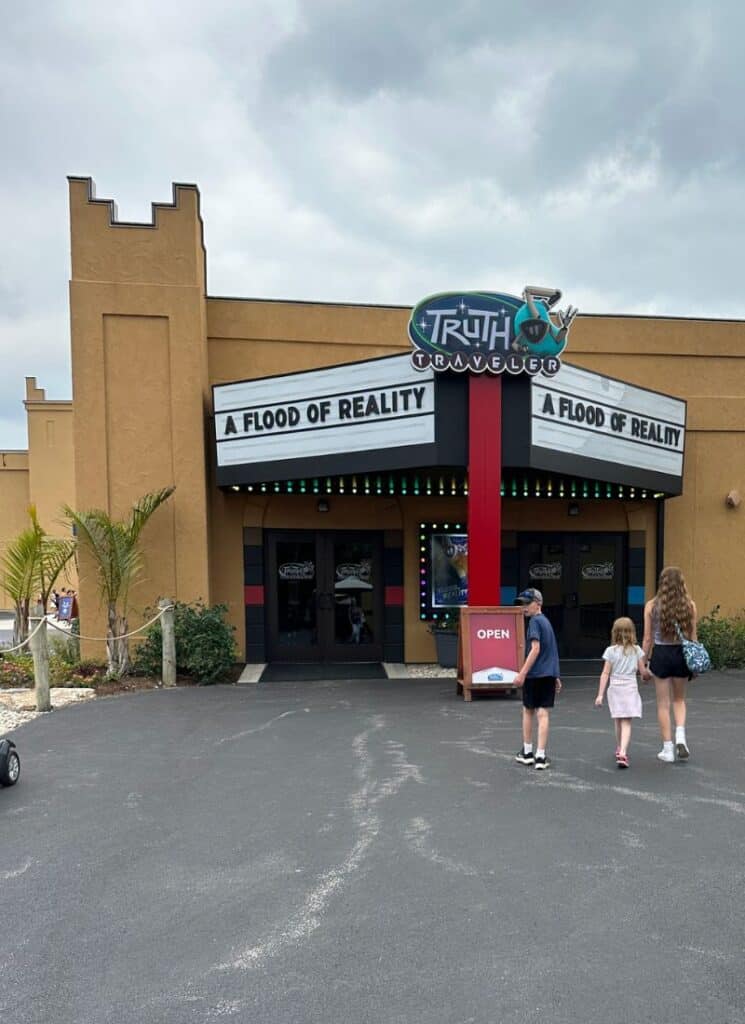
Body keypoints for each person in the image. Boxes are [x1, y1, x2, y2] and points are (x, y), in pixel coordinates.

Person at [642, 566, 698, 762]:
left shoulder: (651, 606)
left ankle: (667, 749)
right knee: (679, 700)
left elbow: (648, 638)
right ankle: (681, 736)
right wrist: (694, 664)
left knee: (663, 704)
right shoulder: (689, 606)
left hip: (661, 654)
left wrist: (643, 663)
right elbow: (693, 638)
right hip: (681, 654)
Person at [513, 588, 562, 770]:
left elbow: (536, 649)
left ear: (538, 604)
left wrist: (522, 673)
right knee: (543, 713)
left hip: (534, 674)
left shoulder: (534, 622)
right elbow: (553, 651)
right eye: (522, 603)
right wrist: (556, 675)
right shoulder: (547, 623)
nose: (524, 607)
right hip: (548, 674)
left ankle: (527, 752)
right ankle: (540, 756)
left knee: (528, 710)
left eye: (527, 603)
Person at [594, 617, 651, 768]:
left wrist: (600, 694)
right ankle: (624, 752)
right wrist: (647, 675)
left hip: (615, 689)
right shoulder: (637, 650)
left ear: (614, 633)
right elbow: (643, 671)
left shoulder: (610, 651)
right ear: (632, 632)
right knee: (627, 721)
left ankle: (619, 747)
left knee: (618, 719)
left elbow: (605, 673)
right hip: (630, 688)